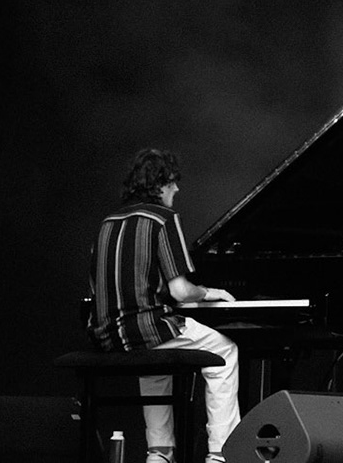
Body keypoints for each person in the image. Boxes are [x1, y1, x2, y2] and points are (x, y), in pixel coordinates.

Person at [87, 149, 242, 462]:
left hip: (106, 334)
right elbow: (181, 291)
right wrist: (208, 292)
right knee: (224, 352)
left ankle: (159, 452)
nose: (177, 189)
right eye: (172, 183)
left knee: (155, 355)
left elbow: (95, 286)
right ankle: (221, 454)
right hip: (145, 328)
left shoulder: (108, 223)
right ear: (158, 185)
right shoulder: (163, 219)